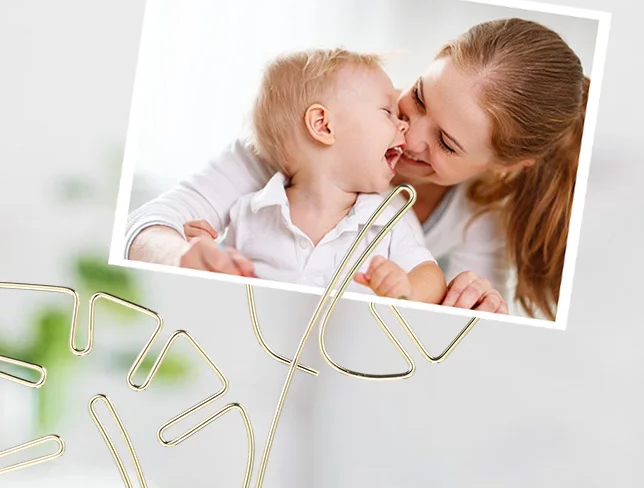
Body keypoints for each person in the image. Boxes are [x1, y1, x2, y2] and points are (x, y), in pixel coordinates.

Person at [125, 17, 590, 320]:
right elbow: (146, 227)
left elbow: (433, 310)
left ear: (505, 167)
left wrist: (471, 315)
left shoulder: (476, 217)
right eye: (420, 98)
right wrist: (186, 258)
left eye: (446, 143)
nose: (410, 132)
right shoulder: (297, 142)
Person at [196, 47, 445, 302]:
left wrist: (408, 288)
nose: (403, 124)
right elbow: (222, 284)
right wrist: (206, 250)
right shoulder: (250, 213)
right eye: (386, 111)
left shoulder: (386, 221)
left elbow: (431, 276)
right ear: (323, 125)